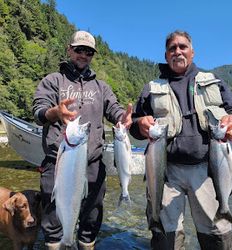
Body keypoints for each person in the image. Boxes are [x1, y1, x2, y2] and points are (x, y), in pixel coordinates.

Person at [129, 30, 232, 249]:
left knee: (217, 235)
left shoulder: (214, 81)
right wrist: (139, 124)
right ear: (166, 55)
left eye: (182, 47)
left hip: (208, 171)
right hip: (165, 171)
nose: (178, 51)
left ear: (192, 52)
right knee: (166, 237)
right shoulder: (151, 88)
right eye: (172, 48)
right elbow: (135, 127)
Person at [33, 30, 132, 250]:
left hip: (93, 165)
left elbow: (114, 109)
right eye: (79, 50)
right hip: (57, 161)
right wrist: (54, 113)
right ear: (69, 50)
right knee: (53, 219)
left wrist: (122, 118)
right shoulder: (53, 80)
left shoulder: (101, 87)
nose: (83, 55)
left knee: (91, 219)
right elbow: (38, 111)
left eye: (89, 52)